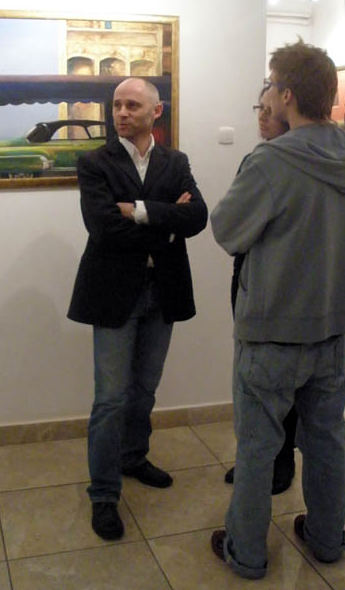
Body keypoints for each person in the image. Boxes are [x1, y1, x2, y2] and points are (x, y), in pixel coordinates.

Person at [210, 40, 345, 580]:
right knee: (326, 441)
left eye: (272, 86)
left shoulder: (271, 160)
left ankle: (247, 552)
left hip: (273, 331)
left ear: (286, 95)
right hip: (334, 329)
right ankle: (327, 539)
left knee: (258, 448)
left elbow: (227, 230)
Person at [68, 77, 207, 541]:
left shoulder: (175, 161)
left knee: (145, 389)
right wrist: (167, 218)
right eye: (117, 105)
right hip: (113, 292)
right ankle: (104, 493)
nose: (122, 113)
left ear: (156, 111)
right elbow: (103, 227)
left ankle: (133, 457)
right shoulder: (95, 162)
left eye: (132, 105)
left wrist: (141, 211)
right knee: (110, 398)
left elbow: (198, 217)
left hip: (162, 290)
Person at [224, 87, 298, 495]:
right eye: (259, 108)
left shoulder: (293, 163)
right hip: (248, 275)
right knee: (249, 376)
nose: (262, 116)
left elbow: (238, 225)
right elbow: (233, 230)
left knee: (280, 384)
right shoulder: (256, 159)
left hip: (281, 285)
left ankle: (280, 462)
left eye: (269, 109)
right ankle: (254, 460)